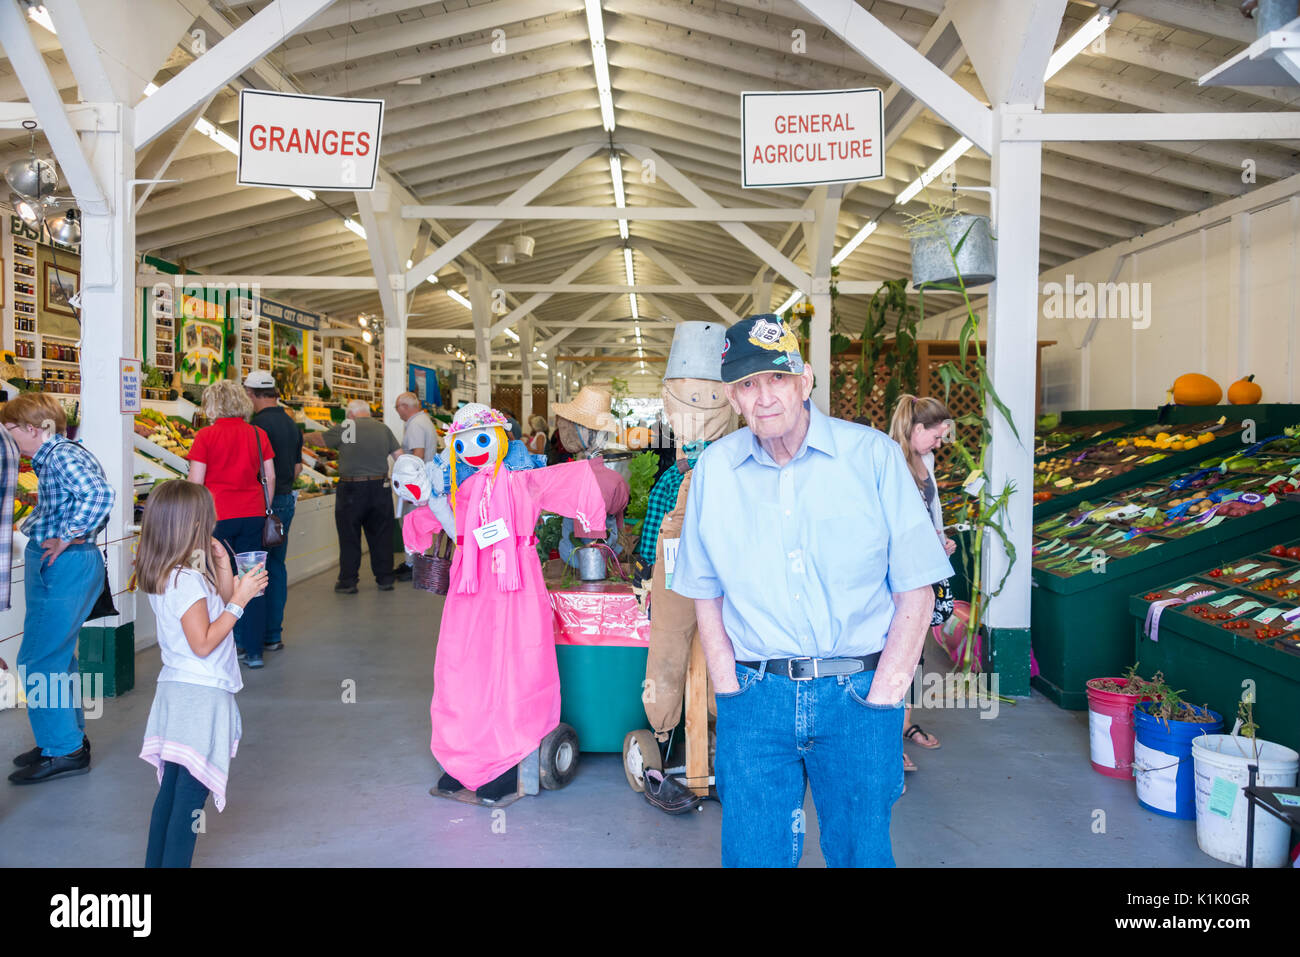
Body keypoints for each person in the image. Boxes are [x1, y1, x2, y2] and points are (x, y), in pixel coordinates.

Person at [671, 315, 953, 867]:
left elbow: (917, 590)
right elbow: (706, 594)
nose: (764, 397)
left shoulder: (871, 457)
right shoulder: (714, 474)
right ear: (733, 397)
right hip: (755, 699)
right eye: (747, 385)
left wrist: (885, 699)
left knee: (861, 854)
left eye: (776, 379)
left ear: (804, 380)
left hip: (857, 697)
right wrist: (729, 690)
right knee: (753, 856)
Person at [397, 404, 607, 804]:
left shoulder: (522, 479)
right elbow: (435, 520)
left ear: (499, 439)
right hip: (469, 584)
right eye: (463, 443)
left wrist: (595, 496)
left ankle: (509, 757)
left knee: (515, 665)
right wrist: (418, 521)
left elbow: (570, 483)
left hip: (515, 582)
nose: (473, 450)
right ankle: (464, 757)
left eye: (481, 439)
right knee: (463, 665)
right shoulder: (460, 486)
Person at [135, 480, 267, 867]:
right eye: (207, 516)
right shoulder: (186, 580)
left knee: (173, 792)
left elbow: (218, 603)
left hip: (178, 691)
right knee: (191, 800)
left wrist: (226, 569)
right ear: (191, 523)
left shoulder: (173, 572)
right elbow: (205, 642)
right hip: (200, 695)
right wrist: (241, 603)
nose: (215, 520)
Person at [5, 394, 115, 785]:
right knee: (57, 657)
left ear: (32, 428)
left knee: (38, 660)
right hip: (64, 562)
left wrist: (66, 537)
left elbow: (100, 495)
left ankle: (63, 750)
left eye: (11, 429)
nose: (7, 437)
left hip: (63, 565)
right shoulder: (55, 456)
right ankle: (63, 738)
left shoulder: (61, 456)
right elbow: (66, 503)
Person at [888, 395, 959, 773]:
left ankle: (904, 724)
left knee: (917, 653)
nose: (939, 443)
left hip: (924, 572)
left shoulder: (925, 461)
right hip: (896, 576)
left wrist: (940, 541)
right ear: (917, 430)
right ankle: (886, 736)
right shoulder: (889, 460)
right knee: (893, 651)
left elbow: (933, 513)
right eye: (936, 436)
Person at [187, 380, 275, 668]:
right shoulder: (257, 433)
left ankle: (227, 641)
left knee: (218, 581)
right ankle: (254, 651)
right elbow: (269, 476)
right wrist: (265, 507)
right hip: (252, 515)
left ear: (213, 404)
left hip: (217, 518)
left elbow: (196, 483)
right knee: (253, 581)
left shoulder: (205, 436)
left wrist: (193, 519)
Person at [245, 370, 302, 654]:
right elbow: (297, 468)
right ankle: (272, 635)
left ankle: (248, 639)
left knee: (252, 568)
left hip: (261, 503)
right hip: (285, 503)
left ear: (251, 395)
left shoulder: (256, 426)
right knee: (277, 567)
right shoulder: (291, 424)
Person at [318, 399, 400, 593]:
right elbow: (399, 455)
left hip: (352, 489)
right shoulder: (383, 428)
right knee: (381, 534)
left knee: (349, 535)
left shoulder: (348, 427)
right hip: (380, 486)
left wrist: (303, 436)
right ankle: (385, 578)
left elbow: (322, 440)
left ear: (351, 414)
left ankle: (348, 581)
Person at [392, 392, 439, 582]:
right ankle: (417, 563)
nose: (397, 413)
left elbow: (417, 455)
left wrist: (409, 483)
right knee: (420, 525)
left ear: (405, 406)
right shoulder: (425, 421)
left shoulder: (415, 425)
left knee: (411, 524)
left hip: (416, 486)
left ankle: (413, 565)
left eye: (397, 408)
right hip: (424, 482)